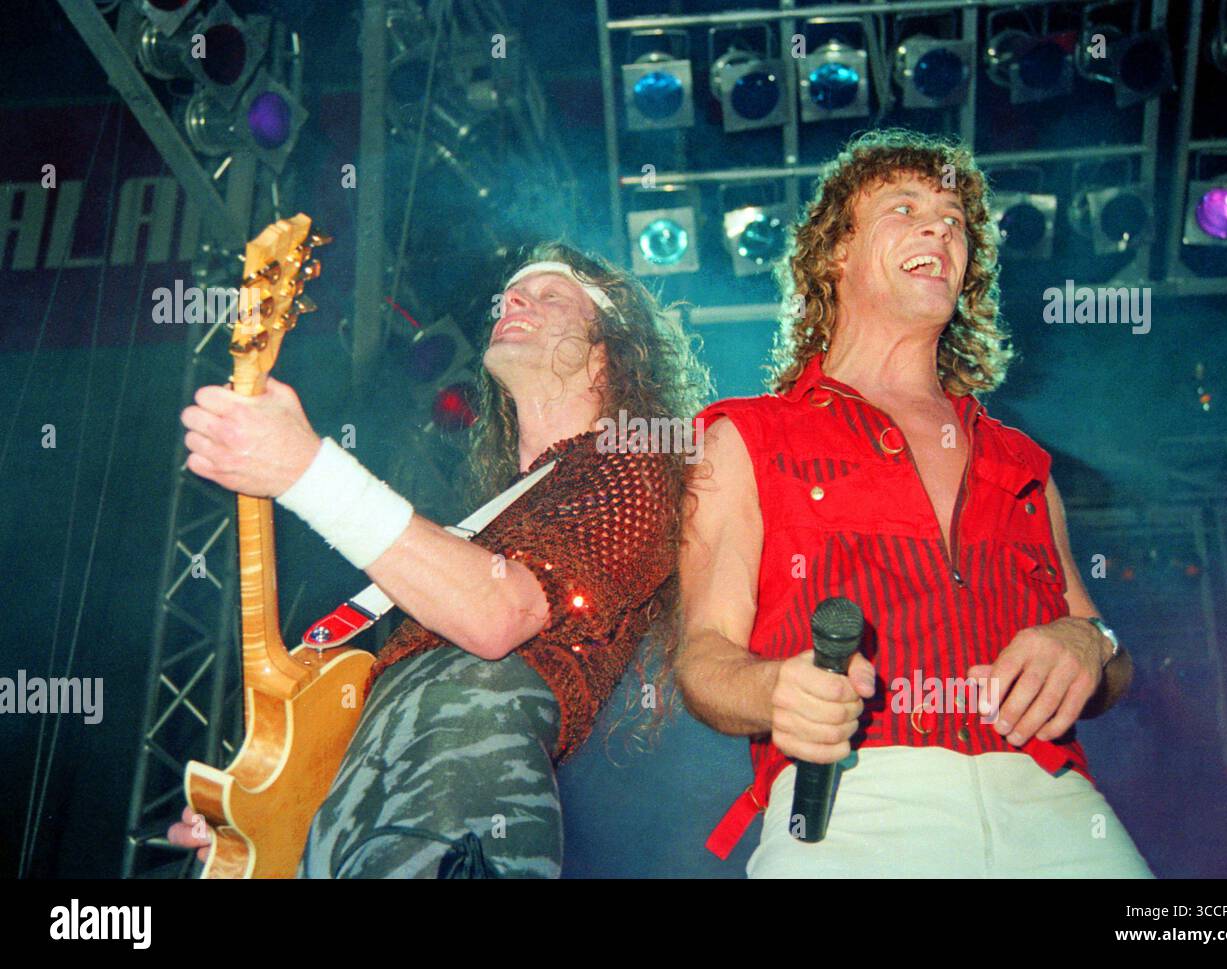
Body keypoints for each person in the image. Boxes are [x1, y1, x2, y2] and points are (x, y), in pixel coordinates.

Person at [677, 128, 1154, 877]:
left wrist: (1092, 644)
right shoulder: (745, 437)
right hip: (852, 806)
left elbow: (1105, 645)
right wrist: (777, 689)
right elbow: (702, 657)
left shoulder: (1020, 459)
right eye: (904, 208)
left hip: (1057, 804)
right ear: (834, 252)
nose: (940, 226)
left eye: (954, 220)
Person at [168, 241, 708, 877]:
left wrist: (305, 469)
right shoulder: (483, 524)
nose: (514, 299)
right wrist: (271, 809)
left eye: (549, 294)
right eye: (510, 293)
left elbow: (496, 615)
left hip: (465, 798)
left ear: (606, 347)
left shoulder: (634, 467)